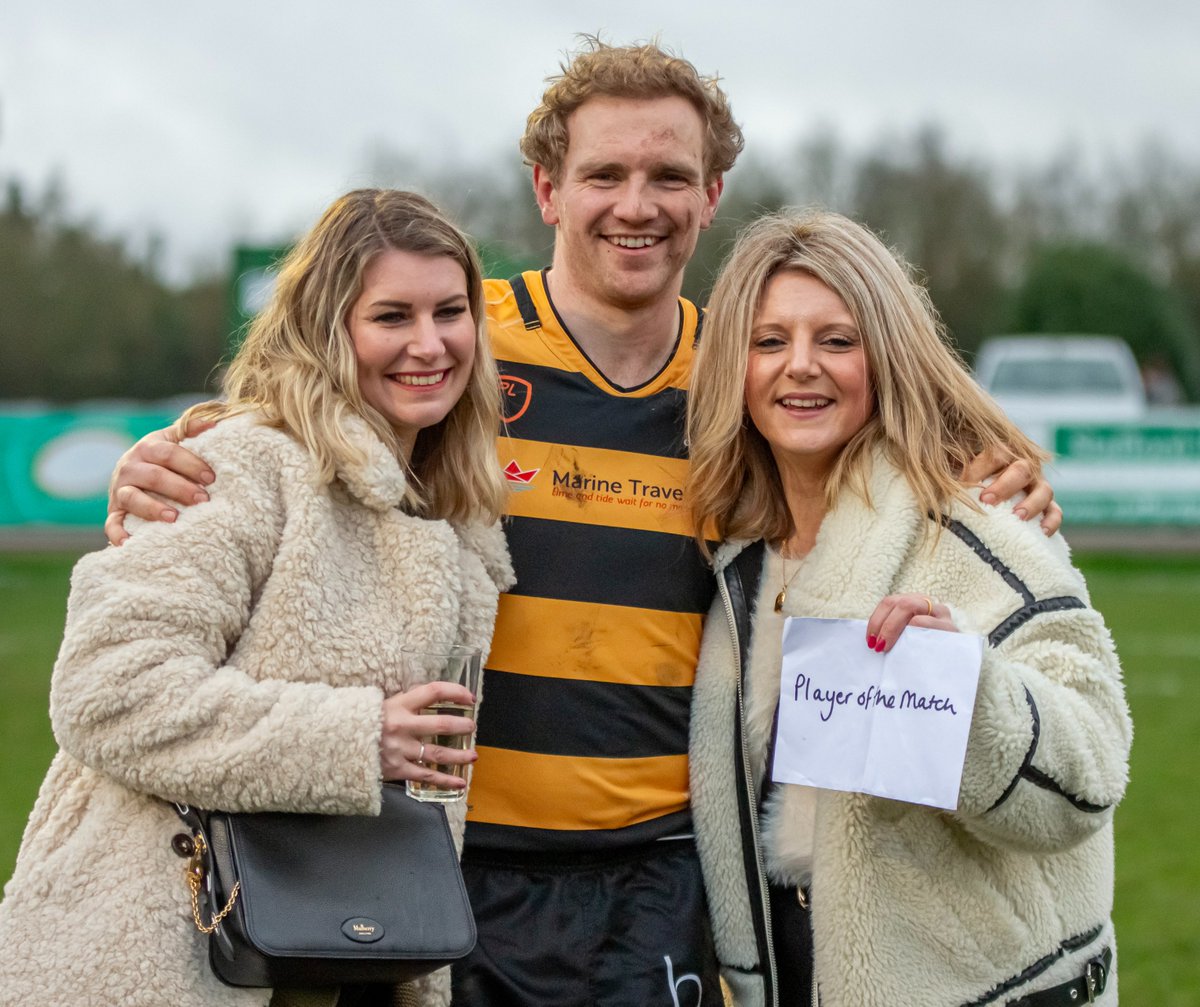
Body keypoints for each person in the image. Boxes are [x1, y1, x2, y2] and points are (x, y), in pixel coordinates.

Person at [101, 40, 1061, 1005]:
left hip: (661, 879)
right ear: (548, 188)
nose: (636, 204)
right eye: (604, 173)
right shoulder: (454, 340)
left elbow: (874, 445)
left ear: (712, 194)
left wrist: (988, 468)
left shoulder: (744, 377)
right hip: (441, 861)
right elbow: (297, 423)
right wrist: (174, 451)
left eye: (669, 177)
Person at [0, 189, 513, 1007]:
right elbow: (107, 692)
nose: (429, 342)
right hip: (158, 962)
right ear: (327, 328)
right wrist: (355, 737)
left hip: (342, 959)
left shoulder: (450, 512)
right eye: (392, 315)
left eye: (450, 311)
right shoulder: (235, 464)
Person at [685, 209, 1131, 1007]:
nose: (800, 367)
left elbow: (1092, 772)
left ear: (885, 353)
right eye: (769, 340)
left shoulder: (984, 521)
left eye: (837, 339)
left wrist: (968, 687)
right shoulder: (734, 563)